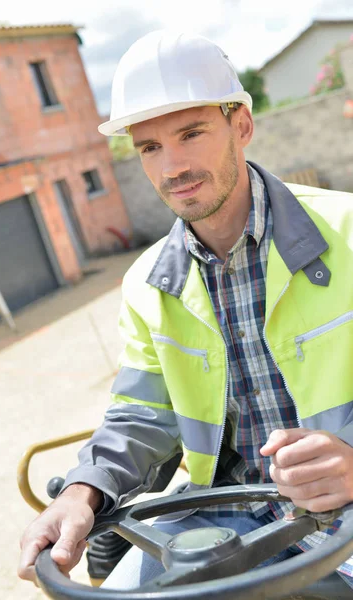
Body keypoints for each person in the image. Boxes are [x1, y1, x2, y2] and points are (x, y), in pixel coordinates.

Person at [18, 30, 353, 590]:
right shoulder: (147, 284)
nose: (172, 166)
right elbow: (140, 416)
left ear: (241, 126)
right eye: (149, 147)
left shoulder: (347, 232)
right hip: (223, 516)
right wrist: (82, 490)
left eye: (191, 133)